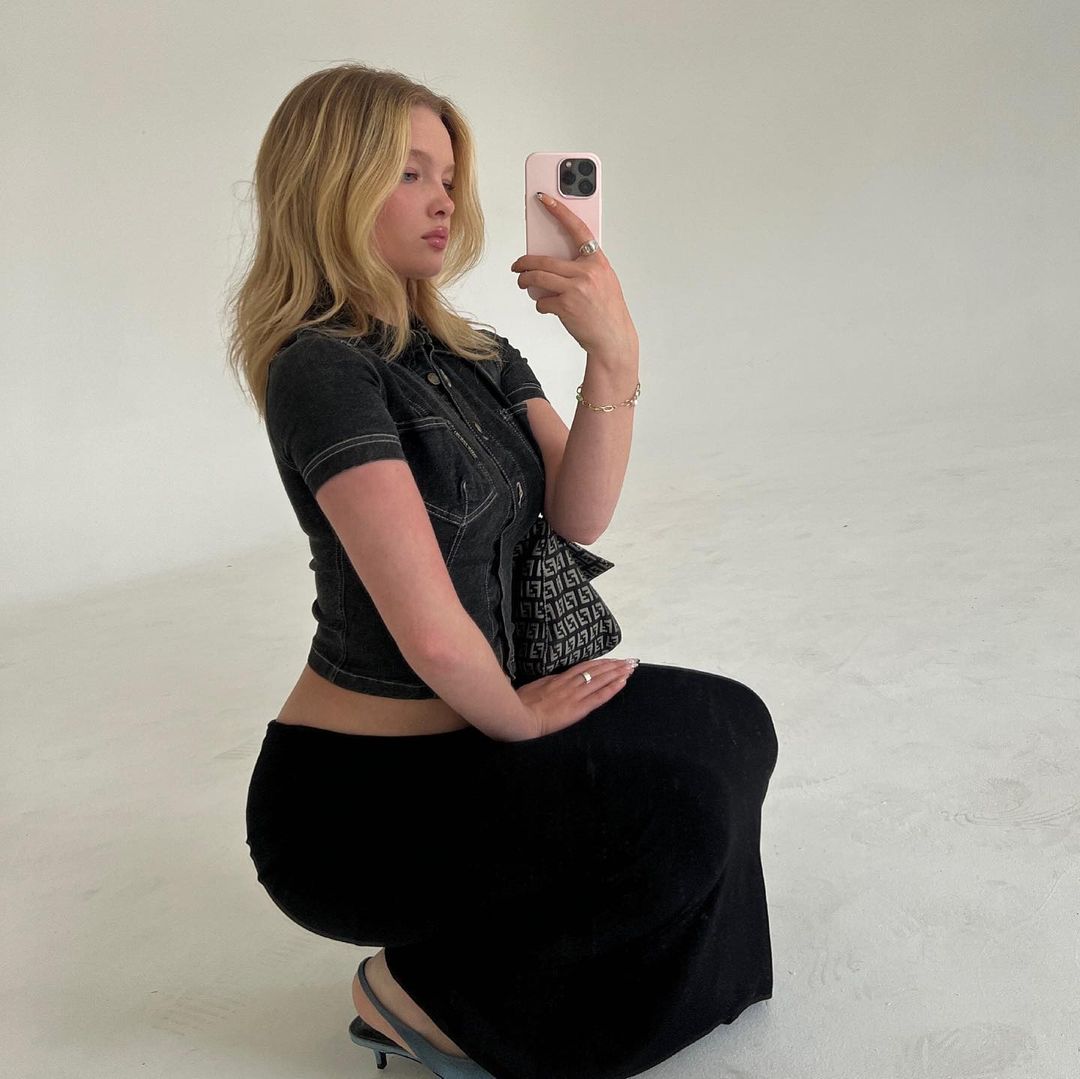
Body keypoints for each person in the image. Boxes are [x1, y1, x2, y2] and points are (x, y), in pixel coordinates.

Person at [227, 62, 779, 1079]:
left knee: (732, 724)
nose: (443, 197)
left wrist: (613, 356)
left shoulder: (476, 351)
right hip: (358, 804)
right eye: (408, 172)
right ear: (329, 184)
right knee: (676, 813)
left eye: (448, 174)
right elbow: (430, 626)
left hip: (473, 745)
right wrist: (520, 721)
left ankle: (532, 985)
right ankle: (424, 997)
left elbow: (577, 513)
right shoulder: (321, 367)